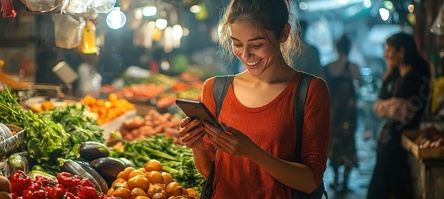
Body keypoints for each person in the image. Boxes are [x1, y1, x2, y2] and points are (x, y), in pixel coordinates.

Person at [178, 0, 331, 198]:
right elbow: (210, 173)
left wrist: (252, 152)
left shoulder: (309, 90)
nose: (246, 54)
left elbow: (310, 181)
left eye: (257, 45)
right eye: (237, 44)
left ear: (283, 34)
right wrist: (197, 146)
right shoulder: (215, 89)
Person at [367, 32, 431, 199]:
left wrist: (384, 106)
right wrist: (386, 106)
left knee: (388, 188)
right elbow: (379, 105)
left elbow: (402, 113)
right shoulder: (392, 75)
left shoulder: (413, 78)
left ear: (401, 51)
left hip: (401, 141)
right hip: (389, 140)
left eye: (389, 50)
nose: (385, 55)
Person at [323, 34, 363, 192]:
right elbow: (361, 82)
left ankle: (336, 178)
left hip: (333, 112)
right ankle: (345, 181)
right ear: (349, 48)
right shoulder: (354, 67)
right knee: (349, 142)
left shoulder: (328, 66)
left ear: (336, 48)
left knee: (334, 143)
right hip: (349, 113)